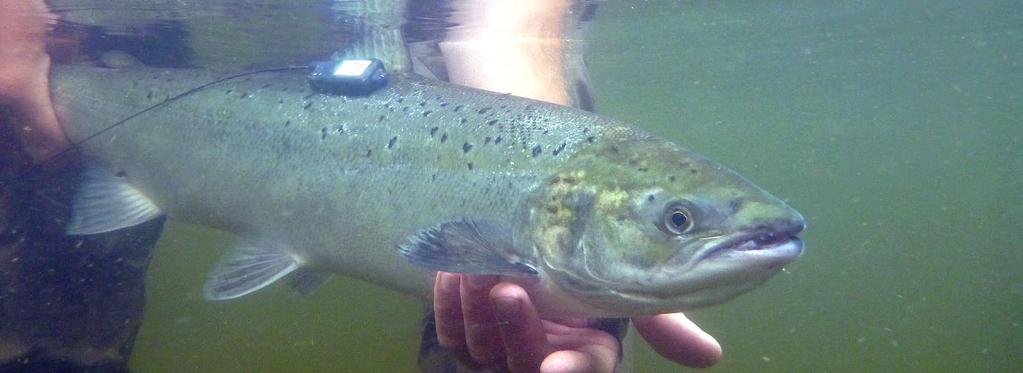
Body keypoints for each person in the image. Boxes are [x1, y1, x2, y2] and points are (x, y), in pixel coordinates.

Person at [0, 0, 722, 371]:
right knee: (47, 325)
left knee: (512, 343)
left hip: (450, 71)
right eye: (682, 223)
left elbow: (502, 34)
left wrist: (584, 287)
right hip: (115, 41)